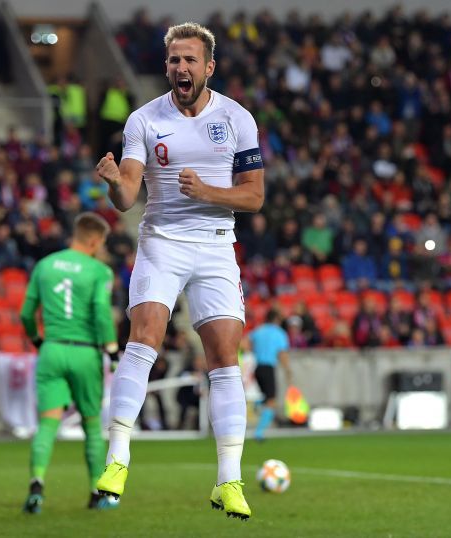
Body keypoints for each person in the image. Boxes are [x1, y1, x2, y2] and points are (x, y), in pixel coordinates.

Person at [94, 22, 264, 520]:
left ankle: (228, 481)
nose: (181, 68)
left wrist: (208, 192)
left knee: (224, 358)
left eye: (190, 60)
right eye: (174, 61)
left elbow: (253, 196)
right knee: (144, 336)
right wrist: (112, 183)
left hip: (215, 246)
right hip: (162, 243)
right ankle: (117, 462)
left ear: (208, 66)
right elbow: (128, 195)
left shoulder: (237, 118)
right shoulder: (144, 120)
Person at [19, 212, 119, 514]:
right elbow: (101, 312)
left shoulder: (45, 265)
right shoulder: (99, 271)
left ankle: (37, 484)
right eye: (101, 242)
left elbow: (26, 313)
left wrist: (38, 341)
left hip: (52, 350)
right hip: (85, 352)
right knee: (91, 424)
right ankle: (96, 492)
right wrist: (112, 350)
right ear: (93, 240)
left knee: (48, 424)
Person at [247, 309, 290, 441]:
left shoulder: (258, 331)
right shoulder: (279, 333)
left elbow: (246, 342)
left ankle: (256, 404)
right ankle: (259, 433)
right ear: (277, 319)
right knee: (271, 401)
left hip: (257, 367)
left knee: (266, 397)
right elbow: (281, 352)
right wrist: (287, 369)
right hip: (268, 367)